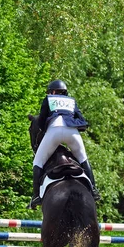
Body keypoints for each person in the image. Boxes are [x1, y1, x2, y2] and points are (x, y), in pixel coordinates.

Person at [28, 79, 101, 209]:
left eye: (51, 92)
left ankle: (36, 196)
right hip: (71, 131)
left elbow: (41, 120)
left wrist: (46, 129)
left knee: (37, 162)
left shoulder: (49, 99)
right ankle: (94, 190)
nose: (50, 94)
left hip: (54, 130)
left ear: (54, 91)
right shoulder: (71, 101)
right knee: (83, 158)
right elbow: (82, 120)